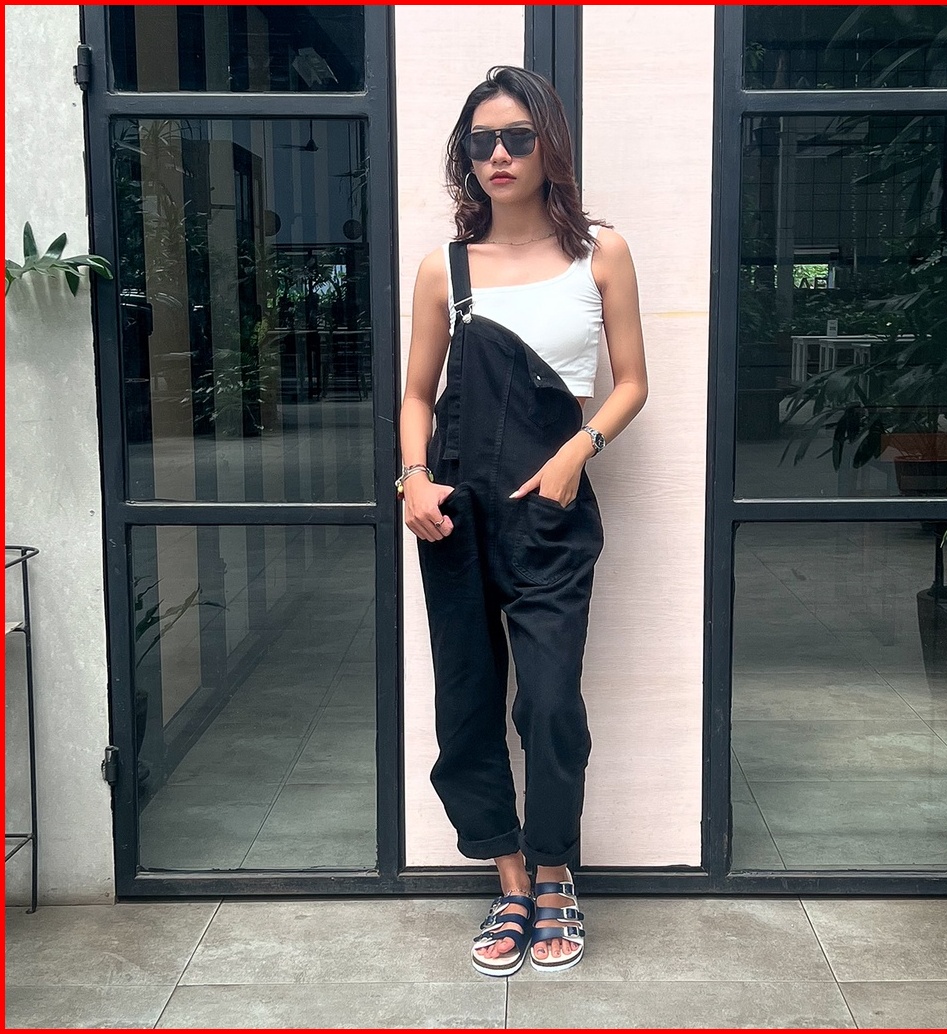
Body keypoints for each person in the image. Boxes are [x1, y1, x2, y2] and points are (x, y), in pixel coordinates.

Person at [398, 66, 648, 976]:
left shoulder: (601, 254)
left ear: (549, 145)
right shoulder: (446, 267)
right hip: (456, 517)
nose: (498, 155)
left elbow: (632, 383)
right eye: (480, 141)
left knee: (548, 703)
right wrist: (414, 480)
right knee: (467, 703)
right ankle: (509, 881)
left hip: (552, 518)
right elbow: (416, 395)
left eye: (515, 138)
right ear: (465, 155)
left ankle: (554, 873)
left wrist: (580, 449)